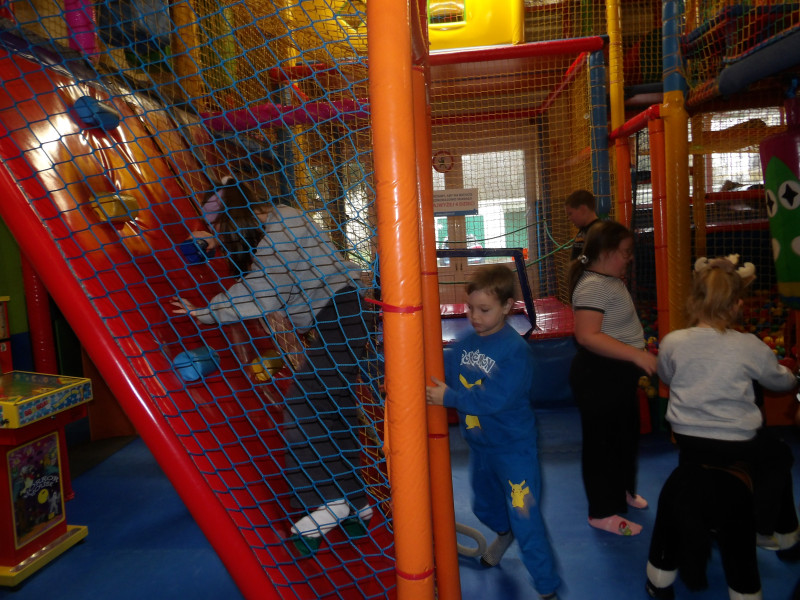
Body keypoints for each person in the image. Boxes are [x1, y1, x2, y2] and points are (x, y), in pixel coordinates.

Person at [171, 178, 374, 556]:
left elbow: (262, 288)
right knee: (336, 413)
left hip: (338, 318)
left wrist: (208, 311)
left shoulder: (278, 234)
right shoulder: (283, 218)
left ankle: (325, 502)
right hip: (343, 316)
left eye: (222, 229)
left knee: (302, 409)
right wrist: (215, 239)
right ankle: (356, 503)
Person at [646, 255, 798, 600]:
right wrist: (794, 376)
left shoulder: (673, 341)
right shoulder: (748, 345)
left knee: (692, 483)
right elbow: (779, 380)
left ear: (693, 301)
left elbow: (667, 375)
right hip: (737, 444)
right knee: (779, 455)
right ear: (737, 305)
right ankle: (773, 530)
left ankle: (659, 577)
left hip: (689, 442)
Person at [426, 264, 561, 600]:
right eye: (470, 308)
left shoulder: (514, 351)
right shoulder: (464, 344)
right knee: (484, 507)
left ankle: (547, 588)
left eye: (484, 310)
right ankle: (504, 533)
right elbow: (445, 376)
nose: (474, 316)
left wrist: (450, 398)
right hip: (481, 447)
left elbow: (495, 399)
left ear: (506, 306)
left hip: (514, 449)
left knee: (525, 518)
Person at [567, 220, 656, 536]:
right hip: (599, 375)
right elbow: (587, 336)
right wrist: (636, 354)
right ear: (605, 252)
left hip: (618, 375)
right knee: (602, 445)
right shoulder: (593, 285)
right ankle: (602, 512)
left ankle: (622, 491)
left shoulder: (610, 280)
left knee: (625, 437)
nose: (629, 258)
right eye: (625, 252)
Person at [565, 189, 601, 261]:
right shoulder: (584, 230)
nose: (569, 218)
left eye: (570, 214)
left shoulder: (599, 231)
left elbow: (594, 259)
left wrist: (578, 263)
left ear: (583, 209)